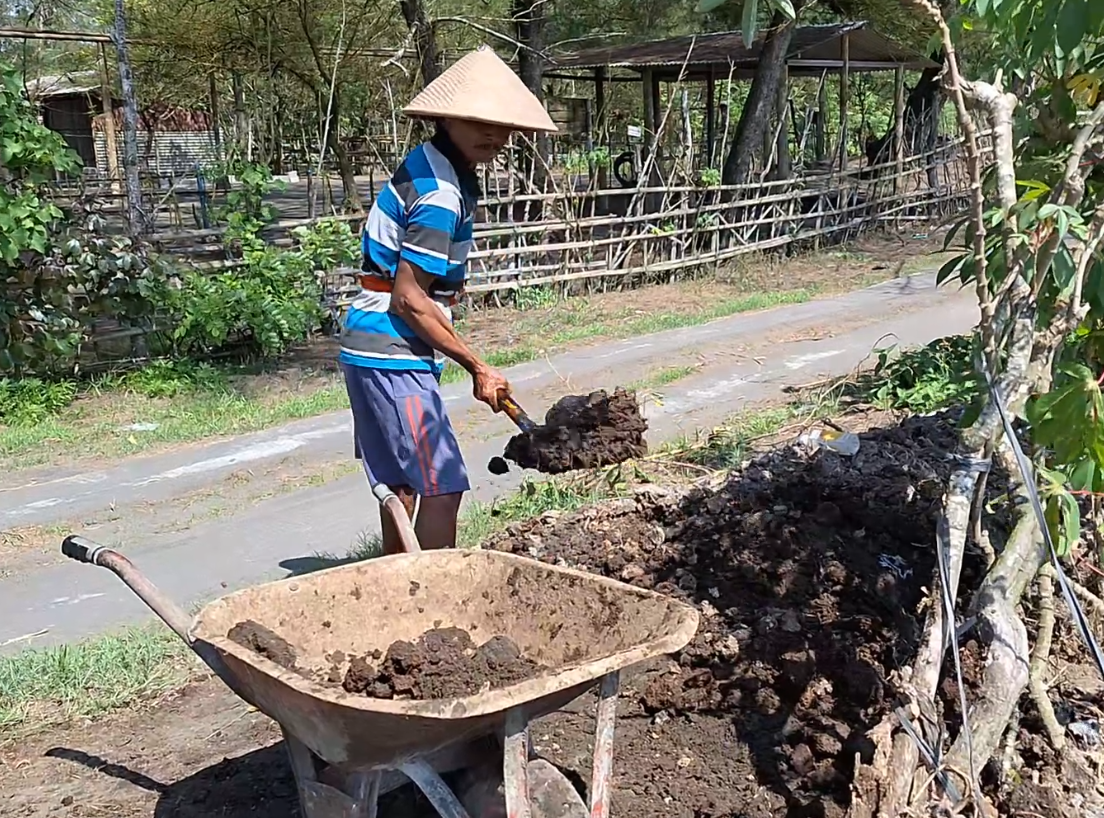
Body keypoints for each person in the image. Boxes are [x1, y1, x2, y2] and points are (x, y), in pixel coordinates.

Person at [340, 45, 558, 555]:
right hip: (391, 349)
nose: (494, 135)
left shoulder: (431, 163)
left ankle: (397, 583)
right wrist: (479, 366)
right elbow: (409, 301)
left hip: (370, 345)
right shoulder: (441, 193)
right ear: (446, 117)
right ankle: (433, 593)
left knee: (401, 482)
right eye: (478, 121)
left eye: (503, 126)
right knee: (442, 483)